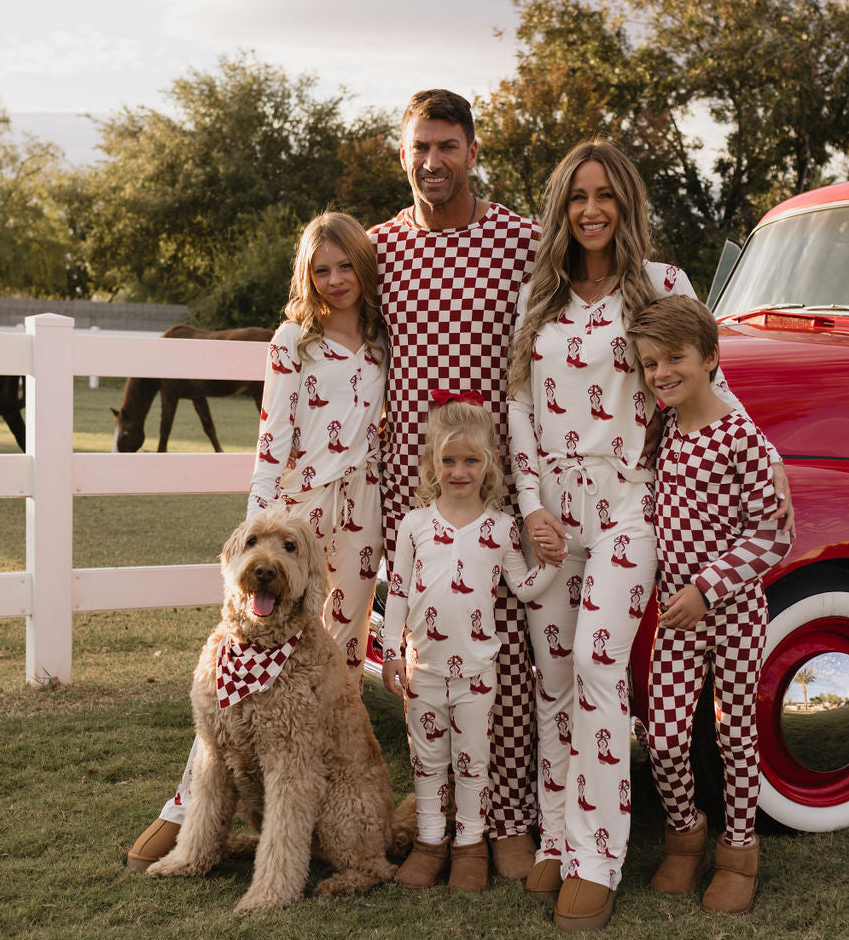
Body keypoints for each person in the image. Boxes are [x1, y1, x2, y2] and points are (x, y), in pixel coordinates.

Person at [508, 140, 791, 932]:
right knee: (554, 673)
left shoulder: (662, 285)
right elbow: (518, 409)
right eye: (576, 197)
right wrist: (531, 504)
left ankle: (599, 854)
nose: (591, 210)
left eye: (605, 195)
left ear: (626, 204)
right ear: (562, 209)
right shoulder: (539, 299)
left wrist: (763, 464)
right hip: (554, 518)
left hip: (632, 509)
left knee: (601, 662)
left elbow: (711, 384)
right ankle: (559, 836)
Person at [127, 212, 386, 870]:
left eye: (346, 265)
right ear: (307, 274)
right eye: (321, 268)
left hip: (358, 521)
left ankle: (319, 812)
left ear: (363, 266)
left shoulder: (386, 341)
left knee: (339, 667)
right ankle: (185, 807)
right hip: (297, 515)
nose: (335, 279)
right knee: (234, 669)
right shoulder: (293, 340)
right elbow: (271, 446)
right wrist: (252, 545)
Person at [371, 89, 546, 881]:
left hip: (493, 485)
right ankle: (435, 820)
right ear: (401, 153)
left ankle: (504, 817)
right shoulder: (379, 250)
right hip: (411, 486)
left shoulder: (517, 238)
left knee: (499, 646)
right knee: (425, 645)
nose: (433, 161)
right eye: (420, 147)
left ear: (473, 150)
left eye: (448, 145)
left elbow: (617, 286)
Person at [628, 295, 792, 914]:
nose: (662, 372)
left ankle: (740, 851)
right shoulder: (664, 429)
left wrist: (707, 588)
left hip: (733, 614)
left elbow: (774, 534)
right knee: (666, 738)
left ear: (711, 359)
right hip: (676, 616)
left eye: (675, 358)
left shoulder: (740, 438)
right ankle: (685, 836)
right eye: (650, 364)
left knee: (736, 733)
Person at [381, 396, 560, 892]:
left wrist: (553, 564)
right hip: (425, 670)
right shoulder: (414, 526)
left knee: (472, 762)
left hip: (478, 674)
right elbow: (397, 592)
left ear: (489, 466)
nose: (460, 470)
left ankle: (470, 847)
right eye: (449, 460)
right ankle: (429, 844)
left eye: (471, 460)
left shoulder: (500, 529)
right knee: (428, 761)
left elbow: (522, 589)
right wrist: (392, 652)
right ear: (432, 464)